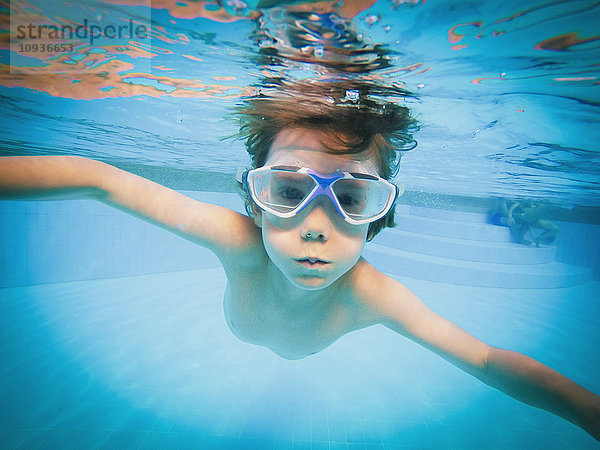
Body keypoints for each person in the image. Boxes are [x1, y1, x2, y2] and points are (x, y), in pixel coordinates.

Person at [1, 79, 598, 441]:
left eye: (353, 198)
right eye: (288, 191)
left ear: (379, 213)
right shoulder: (238, 240)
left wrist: (586, 410)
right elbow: (96, 179)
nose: (316, 227)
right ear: (256, 204)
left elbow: (488, 360)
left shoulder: (371, 295)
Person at [491, 199, 560, 246]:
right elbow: (510, 211)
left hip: (529, 218)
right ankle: (524, 238)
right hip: (521, 217)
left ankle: (535, 239)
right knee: (513, 221)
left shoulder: (528, 211)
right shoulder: (518, 209)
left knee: (522, 222)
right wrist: (510, 216)